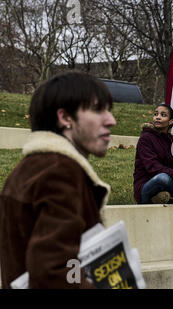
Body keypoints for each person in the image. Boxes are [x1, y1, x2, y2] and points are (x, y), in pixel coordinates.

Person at [0, 71, 116, 288]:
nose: (111, 121)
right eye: (98, 109)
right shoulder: (60, 172)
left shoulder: (29, 169)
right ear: (65, 118)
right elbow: (54, 274)